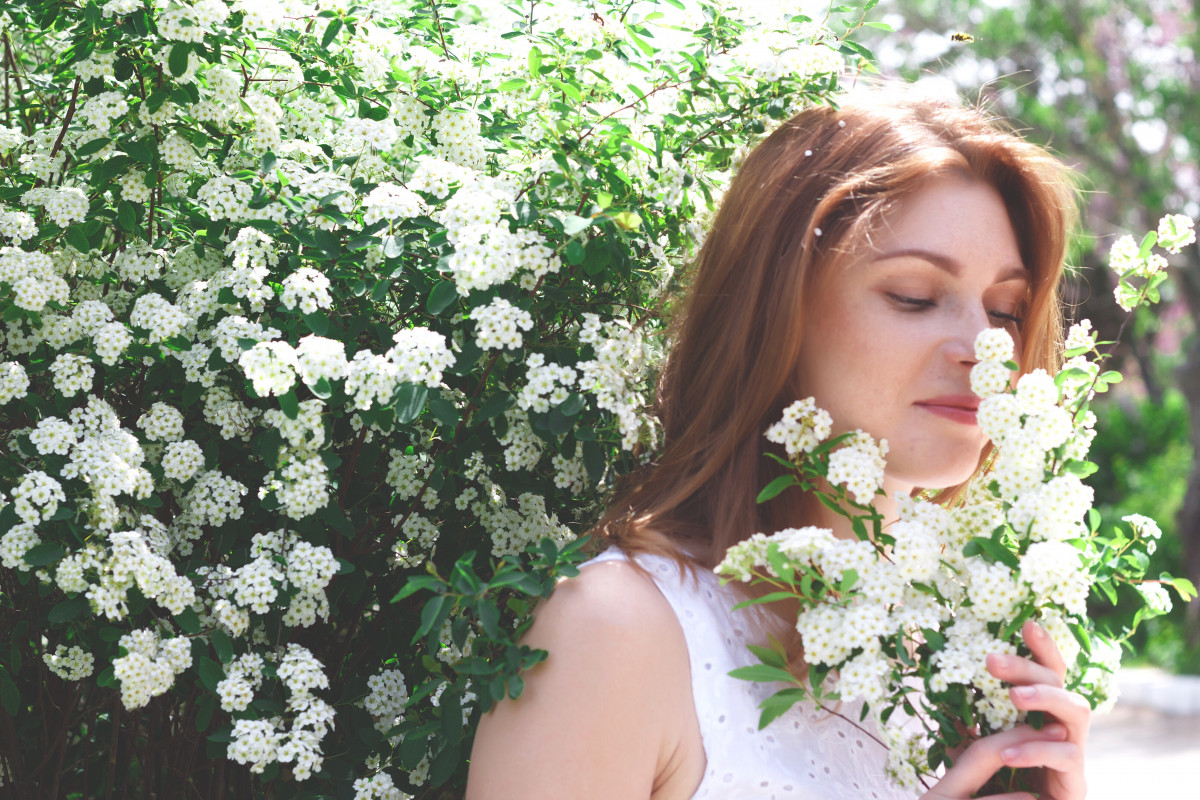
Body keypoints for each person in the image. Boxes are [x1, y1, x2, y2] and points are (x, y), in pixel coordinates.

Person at [466, 92, 1091, 799]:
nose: (984, 350)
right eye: (915, 295)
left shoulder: (962, 649)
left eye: (1004, 311)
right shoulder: (620, 631)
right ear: (777, 312)